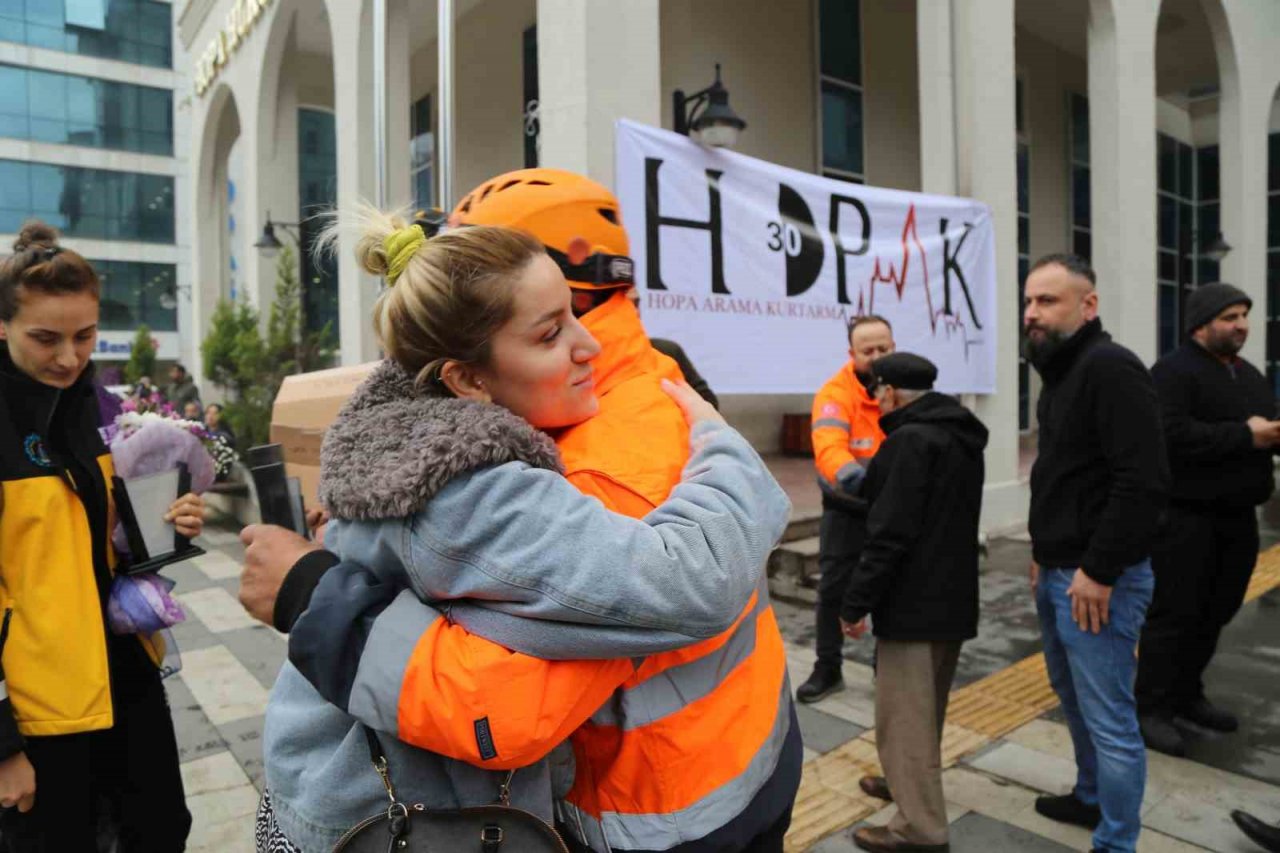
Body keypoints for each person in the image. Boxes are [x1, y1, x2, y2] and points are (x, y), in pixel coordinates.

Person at [243, 169, 802, 853]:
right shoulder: (492, 481)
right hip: (398, 824)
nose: (585, 346)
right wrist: (727, 447)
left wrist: (320, 592)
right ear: (467, 378)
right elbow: (690, 581)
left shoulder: (412, 435)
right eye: (548, 331)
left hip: (679, 796)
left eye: (574, 314)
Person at [0, 221, 207, 850]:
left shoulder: (104, 411)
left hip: (127, 675)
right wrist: (2, 744)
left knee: (162, 831)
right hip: (39, 710)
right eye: (45, 338)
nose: (68, 356)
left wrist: (166, 526)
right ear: (1, 326)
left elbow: (109, 550)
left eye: (84, 336)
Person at [1023, 253, 1168, 853]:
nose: (1032, 313)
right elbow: (1068, 478)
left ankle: (1116, 843)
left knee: (1110, 720)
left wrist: (1099, 570)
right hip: (1059, 572)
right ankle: (1089, 799)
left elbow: (1144, 481)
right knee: (1075, 701)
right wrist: (1043, 551)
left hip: (1096, 582)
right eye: (1028, 301)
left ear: (1089, 305)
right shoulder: (1062, 375)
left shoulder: (1110, 367)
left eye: (1047, 301)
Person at [837, 353, 987, 853]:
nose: (875, 400)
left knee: (903, 717)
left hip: (913, 604)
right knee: (926, 712)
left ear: (892, 393)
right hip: (952, 599)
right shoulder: (961, 434)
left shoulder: (908, 442)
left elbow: (890, 534)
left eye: (877, 391)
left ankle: (919, 829)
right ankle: (904, 783)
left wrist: (854, 603)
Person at [1135, 283, 1280, 756]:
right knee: (1174, 616)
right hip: (1185, 521)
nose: (1241, 325)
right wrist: (1244, 436)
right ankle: (1152, 708)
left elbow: (1263, 429)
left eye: (1244, 315)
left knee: (1216, 611)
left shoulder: (1250, 375)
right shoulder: (1172, 373)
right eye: (1230, 317)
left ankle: (1187, 695)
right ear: (1200, 324)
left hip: (1237, 520)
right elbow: (1169, 436)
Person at [796, 315, 895, 703]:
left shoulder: (903, 386)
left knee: (892, 586)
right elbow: (829, 447)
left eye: (883, 349)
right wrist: (859, 479)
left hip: (892, 507)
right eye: (867, 350)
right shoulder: (835, 393)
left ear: (893, 346)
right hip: (847, 506)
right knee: (834, 588)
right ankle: (828, 667)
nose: (875, 357)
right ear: (851, 354)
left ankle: (885, 669)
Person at [625, 287, 719, 407]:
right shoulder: (595, 362)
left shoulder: (667, 351)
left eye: (636, 303)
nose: (634, 312)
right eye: (624, 305)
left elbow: (708, 402)